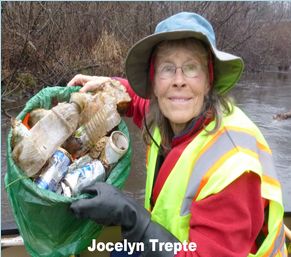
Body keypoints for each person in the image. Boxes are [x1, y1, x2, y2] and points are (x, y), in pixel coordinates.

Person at [69, 12, 287, 256]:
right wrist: (111, 84)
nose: (179, 81)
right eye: (167, 68)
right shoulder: (164, 116)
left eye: (192, 67)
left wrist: (131, 216)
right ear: (154, 82)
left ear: (208, 82)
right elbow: (138, 102)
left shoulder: (234, 167)